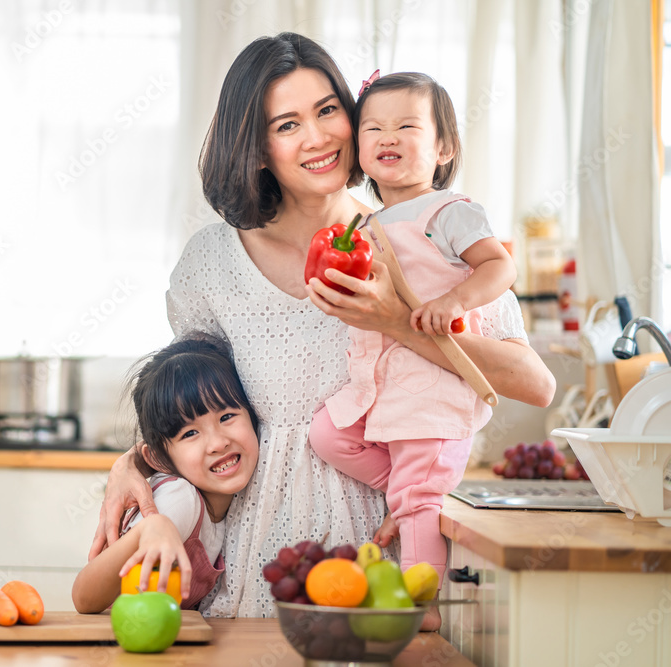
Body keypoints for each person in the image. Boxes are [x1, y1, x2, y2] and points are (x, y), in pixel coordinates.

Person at [90, 32, 555, 620]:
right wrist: (130, 462)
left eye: (328, 110)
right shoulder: (210, 265)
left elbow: (534, 385)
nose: (318, 137)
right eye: (287, 125)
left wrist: (398, 322)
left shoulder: (425, 236)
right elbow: (192, 406)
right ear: (256, 148)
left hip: (379, 564)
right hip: (255, 569)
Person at [307, 71, 518, 630]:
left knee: (418, 502)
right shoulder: (364, 222)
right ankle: (417, 488)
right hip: (381, 386)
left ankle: (420, 608)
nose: (386, 136)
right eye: (372, 126)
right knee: (326, 434)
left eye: (406, 125)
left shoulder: (449, 211)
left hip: (431, 388)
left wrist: (455, 300)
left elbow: (500, 265)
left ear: (443, 147)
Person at [71, 334, 259, 614]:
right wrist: (151, 527)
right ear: (158, 457)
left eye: (227, 417)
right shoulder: (181, 499)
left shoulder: (228, 500)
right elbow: (84, 598)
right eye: (190, 433)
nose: (218, 442)